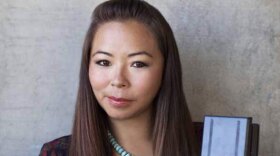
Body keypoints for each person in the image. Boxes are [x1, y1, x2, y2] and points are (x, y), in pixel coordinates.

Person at [39, 0, 198, 156]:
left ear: (166, 68)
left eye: (137, 64)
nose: (118, 80)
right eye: (103, 62)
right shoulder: (58, 153)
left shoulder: (213, 142)